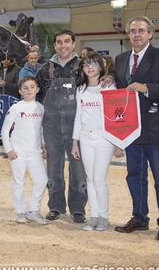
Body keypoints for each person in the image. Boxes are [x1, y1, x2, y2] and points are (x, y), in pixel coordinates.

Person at [113, 16, 159, 241]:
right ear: (128, 34)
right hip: (130, 129)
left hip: (155, 129)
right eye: (132, 31)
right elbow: (118, 85)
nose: (137, 34)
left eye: (141, 30)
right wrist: (107, 79)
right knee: (135, 177)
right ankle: (140, 218)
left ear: (150, 33)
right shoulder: (121, 59)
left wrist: (146, 88)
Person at [36, 28, 112, 223]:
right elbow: (35, 97)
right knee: (53, 168)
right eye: (59, 42)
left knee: (79, 170)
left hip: (76, 125)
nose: (63, 45)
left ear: (73, 44)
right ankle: (56, 207)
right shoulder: (45, 68)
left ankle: (78, 209)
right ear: (55, 45)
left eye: (67, 41)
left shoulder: (82, 66)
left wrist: (110, 78)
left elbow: (99, 79)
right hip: (51, 126)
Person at [70, 52, 123, 231]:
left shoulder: (109, 88)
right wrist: (75, 142)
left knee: (99, 179)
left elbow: (116, 118)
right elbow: (78, 117)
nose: (90, 67)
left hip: (104, 139)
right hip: (85, 138)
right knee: (90, 179)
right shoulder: (80, 90)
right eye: (86, 64)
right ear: (83, 69)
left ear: (101, 66)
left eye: (94, 63)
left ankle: (103, 217)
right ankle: (93, 216)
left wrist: (117, 143)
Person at [2, 76, 48, 225]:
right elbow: (5, 129)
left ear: (37, 89)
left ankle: (33, 211)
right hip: (18, 152)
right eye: (26, 88)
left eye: (32, 87)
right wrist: (8, 149)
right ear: (20, 91)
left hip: (35, 153)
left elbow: (40, 128)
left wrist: (43, 144)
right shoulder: (16, 107)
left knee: (42, 180)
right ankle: (20, 211)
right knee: (18, 182)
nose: (29, 90)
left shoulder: (40, 107)